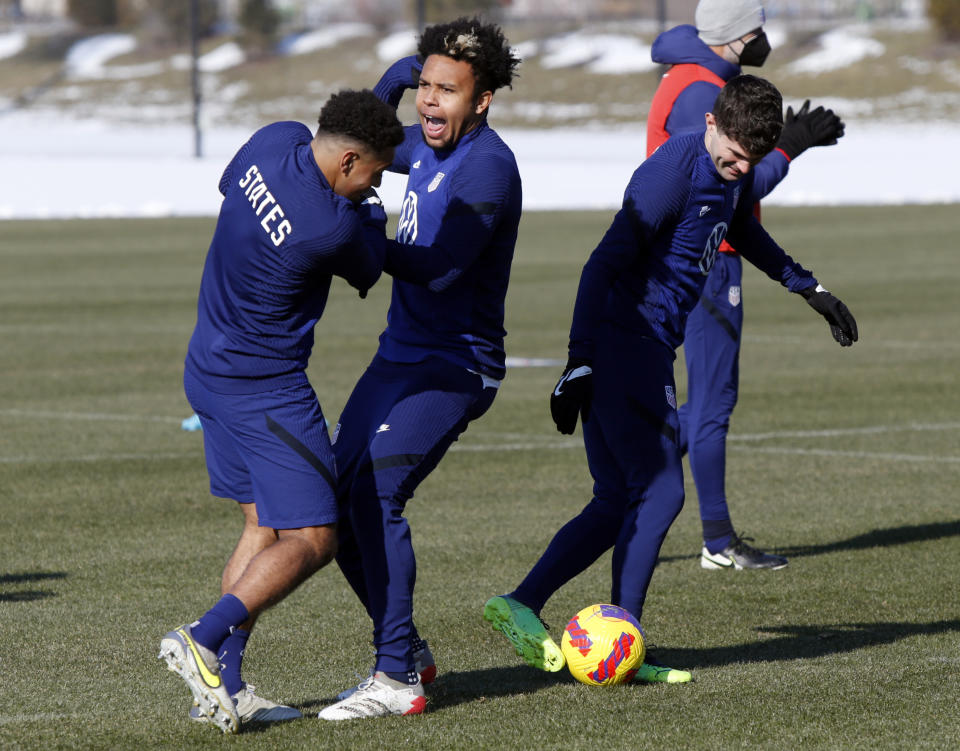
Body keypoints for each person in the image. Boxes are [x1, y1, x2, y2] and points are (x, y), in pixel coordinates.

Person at [484, 75, 857, 683]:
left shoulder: (726, 177)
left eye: (750, 162)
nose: (739, 170)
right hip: (626, 343)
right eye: (732, 156)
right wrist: (579, 358)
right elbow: (602, 261)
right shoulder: (671, 173)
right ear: (711, 124)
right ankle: (621, 641)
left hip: (643, 345)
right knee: (661, 492)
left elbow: (743, 229)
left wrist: (807, 286)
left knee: (615, 500)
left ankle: (522, 605)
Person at [158, 90, 405, 734]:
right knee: (314, 537)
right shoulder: (331, 227)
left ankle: (224, 689)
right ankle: (203, 639)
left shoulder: (274, 139)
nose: (373, 183)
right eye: (373, 172)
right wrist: (375, 207)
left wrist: (378, 111)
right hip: (264, 388)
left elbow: (234, 181)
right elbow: (370, 268)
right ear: (350, 161)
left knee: (263, 528)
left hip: (207, 367)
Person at [317, 17, 522, 720]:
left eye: (449, 90)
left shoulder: (489, 167)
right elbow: (358, 143)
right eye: (425, 86)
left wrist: (363, 241)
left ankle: (396, 675)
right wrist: (395, 80)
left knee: (378, 492)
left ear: (484, 99)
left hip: (456, 366)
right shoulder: (419, 142)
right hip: (399, 353)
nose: (431, 103)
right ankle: (406, 648)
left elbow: (439, 269)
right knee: (332, 508)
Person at [649, 0, 845, 570]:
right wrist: (790, 145)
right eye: (757, 28)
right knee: (713, 402)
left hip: (711, 250)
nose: (764, 37)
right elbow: (728, 184)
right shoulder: (698, 87)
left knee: (707, 403)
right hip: (707, 254)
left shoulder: (701, 78)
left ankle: (630, 496)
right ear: (734, 34)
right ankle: (717, 542)